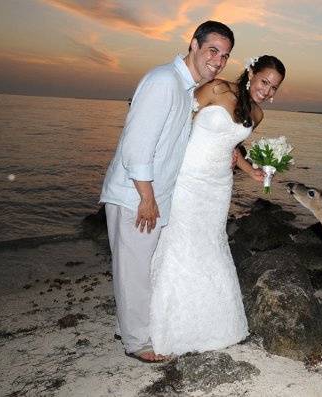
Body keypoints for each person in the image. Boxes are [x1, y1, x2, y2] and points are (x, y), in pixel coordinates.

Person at [100, 21, 235, 362]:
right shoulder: (163, 81)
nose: (218, 62)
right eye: (213, 51)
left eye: (225, 56)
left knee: (142, 268)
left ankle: (128, 328)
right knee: (134, 271)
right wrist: (147, 197)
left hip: (154, 195)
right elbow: (136, 146)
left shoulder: (185, 88)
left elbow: (177, 140)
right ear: (194, 45)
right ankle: (137, 343)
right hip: (136, 195)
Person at [149, 55, 286, 356]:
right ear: (251, 72)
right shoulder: (216, 89)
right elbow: (178, 117)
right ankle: (168, 329)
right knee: (180, 244)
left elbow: (232, 146)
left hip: (218, 186)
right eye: (264, 82)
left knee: (210, 246)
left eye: (274, 88)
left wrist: (252, 171)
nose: (267, 91)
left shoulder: (258, 114)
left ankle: (214, 327)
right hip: (187, 178)